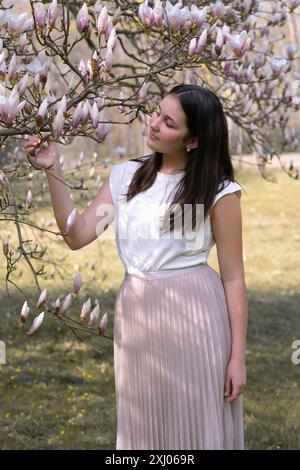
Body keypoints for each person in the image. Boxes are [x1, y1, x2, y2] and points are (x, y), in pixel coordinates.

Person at [25, 84, 248, 450]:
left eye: (169, 122)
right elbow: (77, 234)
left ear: (193, 140)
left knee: (194, 420)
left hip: (197, 314)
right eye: (157, 113)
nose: (154, 123)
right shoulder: (124, 177)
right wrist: (53, 168)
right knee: (144, 422)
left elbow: (235, 278)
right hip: (136, 312)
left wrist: (237, 357)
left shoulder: (219, 191)